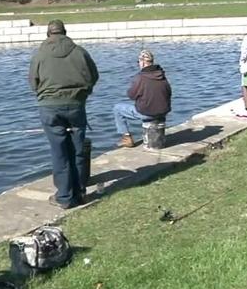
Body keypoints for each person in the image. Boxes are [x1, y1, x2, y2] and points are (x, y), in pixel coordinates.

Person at [29, 19, 99, 209]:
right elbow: (94, 76)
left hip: (50, 108)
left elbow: (33, 83)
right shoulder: (79, 51)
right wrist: (84, 94)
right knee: (77, 150)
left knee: (59, 152)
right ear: (65, 32)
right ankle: (80, 193)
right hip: (76, 105)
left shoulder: (40, 55)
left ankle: (65, 197)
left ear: (48, 34)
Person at [112, 49, 171, 149]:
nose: (139, 64)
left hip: (147, 113)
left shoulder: (140, 77)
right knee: (147, 106)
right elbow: (169, 92)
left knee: (117, 108)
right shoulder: (162, 75)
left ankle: (127, 138)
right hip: (163, 112)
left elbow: (131, 95)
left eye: (139, 62)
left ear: (143, 63)